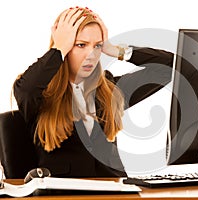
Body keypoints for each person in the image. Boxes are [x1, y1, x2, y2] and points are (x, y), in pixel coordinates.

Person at [13, 6, 173, 178]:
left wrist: (116, 50)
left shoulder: (108, 89)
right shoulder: (40, 94)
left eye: (97, 46)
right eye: (80, 45)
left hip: (115, 190)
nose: (91, 55)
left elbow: (169, 68)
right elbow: (26, 90)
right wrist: (58, 51)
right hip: (64, 194)